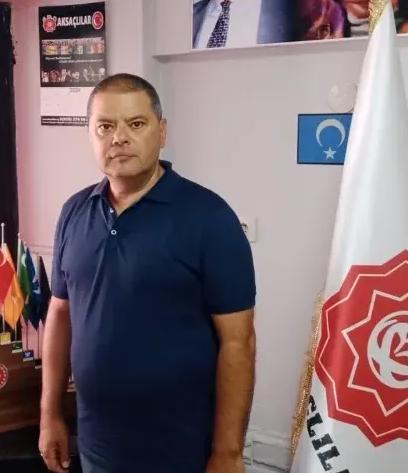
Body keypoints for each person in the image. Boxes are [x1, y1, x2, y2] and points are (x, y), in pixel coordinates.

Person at [38, 73, 257, 473]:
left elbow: (238, 343)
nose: (119, 138)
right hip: (98, 446)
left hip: (183, 451)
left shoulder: (210, 219)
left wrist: (228, 453)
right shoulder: (74, 212)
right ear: (91, 136)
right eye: (105, 127)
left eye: (135, 124)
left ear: (162, 131)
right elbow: (60, 313)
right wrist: (49, 412)